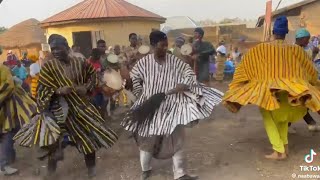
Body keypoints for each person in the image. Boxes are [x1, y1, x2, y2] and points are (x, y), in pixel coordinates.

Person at [122, 31, 223, 180]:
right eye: (161, 46)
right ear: (152, 46)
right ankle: (146, 168)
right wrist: (129, 84)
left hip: (173, 104)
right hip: (150, 105)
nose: (165, 49)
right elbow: (135, 82)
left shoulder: (174, 61)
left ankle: (180, 173)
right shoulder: (144, 63)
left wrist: (184, 84)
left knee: (178, 138)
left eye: (166, 45)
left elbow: (188, 74)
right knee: (149, 140)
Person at [14, 34, 118, 178]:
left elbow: (94, 76)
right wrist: (57, 91)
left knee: (88, 141)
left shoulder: (81, 62)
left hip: (81, 109)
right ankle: (51, 172)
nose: (55, 51)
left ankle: (91, 169)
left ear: (67, 48)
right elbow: (41, 90)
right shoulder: (49, 67)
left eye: (58, 48)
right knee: (54, 144)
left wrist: (86, 87)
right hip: (59, 111)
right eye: (53, 49)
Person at [223, 16, 320, 160]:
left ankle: (278, 151)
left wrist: (240, 85)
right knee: (282, 121)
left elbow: (244, 69)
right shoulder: (297, 50)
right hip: (291, 94)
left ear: (273, 32)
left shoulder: (260, 50)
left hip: (267, 93)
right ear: (286, 32)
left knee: (270, 120)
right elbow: (311, 72)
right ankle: (284, 148)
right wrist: (311, 86)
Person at [0, 63, 36, 176]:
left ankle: (9, 157)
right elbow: (8, 86)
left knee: (7, 133)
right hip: (5, 108)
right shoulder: (3, 69)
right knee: (8, 132)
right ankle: (3, 165)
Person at [288, 28, 320, 132]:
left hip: (303, 81)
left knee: (301, 103)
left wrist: (314, 54)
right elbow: (303, 64)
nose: (308, 42)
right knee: (301, 102)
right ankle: (310, 123)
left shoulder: (301, 49)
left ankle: (311, 123)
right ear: (301, 39)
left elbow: (307, 63)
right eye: (307, 39)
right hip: (296, 82)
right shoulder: (293, 49)